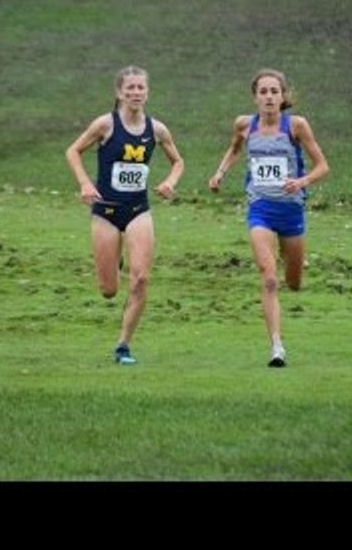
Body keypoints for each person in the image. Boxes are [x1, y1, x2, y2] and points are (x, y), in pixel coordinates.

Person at [208, 69, 329, 367]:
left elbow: (322, 166)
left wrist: (301, 182)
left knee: (294, 281)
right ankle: (277, 347)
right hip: (260, 209)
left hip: (291, 212)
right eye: (263, 92)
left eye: (274, 91)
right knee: (269, 276)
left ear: (283, 96)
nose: (269, 97)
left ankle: (293, 272)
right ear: (255, 97)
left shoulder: (296, 126)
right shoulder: (244, 125)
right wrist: (220, 173)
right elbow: (235, 150)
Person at [65, 66, 184, 364]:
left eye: (140, 88)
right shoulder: (105, 125)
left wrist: (170, 181)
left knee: (141, 278)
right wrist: (84, 183)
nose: (135, 93)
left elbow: (178, 161)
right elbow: (73, 151)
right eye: (129, 88)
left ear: (147, 92)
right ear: (119, 92)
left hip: (137, 211)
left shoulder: (157, 129)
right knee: (108, 290)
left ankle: (123, 345)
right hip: (105, 211)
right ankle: (114, 258)